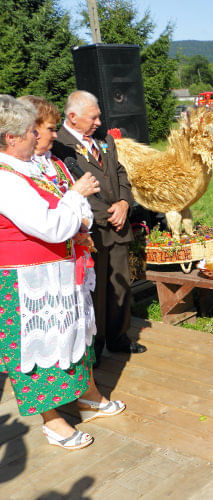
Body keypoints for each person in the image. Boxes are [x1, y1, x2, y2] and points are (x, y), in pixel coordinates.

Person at [0, 95, 125, 450]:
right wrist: (75, 194)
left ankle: (84, 394)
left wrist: (75, 209)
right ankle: (53, 422)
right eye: (31, 132)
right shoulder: (5, 178)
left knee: (71, 337)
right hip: (28, 282)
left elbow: (76, 217)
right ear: (12, 138)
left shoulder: (32, 167)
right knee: (37, 350)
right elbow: (52, 226)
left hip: (59, 272)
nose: (40, 139)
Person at [52, 90, 146, 361]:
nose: (98, 121)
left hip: (118, 224)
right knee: (96, 292)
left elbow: (119, 172)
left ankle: (119, 338)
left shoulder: (104, 138)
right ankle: (95, 346)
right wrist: (108, 213)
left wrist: (125, 203)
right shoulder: (60, 145)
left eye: (98, 116)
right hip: (91, 230)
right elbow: (68, 189)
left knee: (120, 285)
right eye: (92, 117)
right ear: (73, 117)